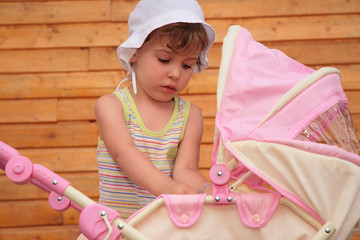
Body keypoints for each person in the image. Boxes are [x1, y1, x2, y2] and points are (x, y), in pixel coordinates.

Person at [95, 0, 215, 221]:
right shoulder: (112, 106)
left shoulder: (190, 116)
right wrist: (169, 188)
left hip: (164, 229)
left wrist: (209, 191)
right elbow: (124, 153)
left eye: (187, 65)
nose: (176, 74)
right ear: (134, 53)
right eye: (164, 59)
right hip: (117, 228)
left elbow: (185, 171)